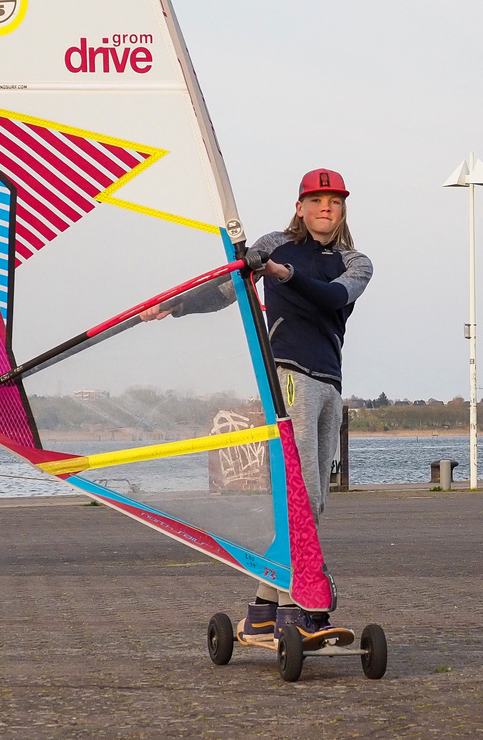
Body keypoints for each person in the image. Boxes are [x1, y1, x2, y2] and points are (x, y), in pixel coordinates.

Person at [142, 168, 371, 639]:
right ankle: (295, 605)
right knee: (299, 491)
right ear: (300, 206)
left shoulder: (356, 262)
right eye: (317, 201)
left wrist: (284, 274)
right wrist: (178, 305)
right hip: (288, 374)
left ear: (343, 209)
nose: (326, 209)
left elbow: (331, 298)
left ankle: (262, 607)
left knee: (315, 499)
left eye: (334, 202)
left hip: (329, 383)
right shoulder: (272, 244)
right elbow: (229, 289)